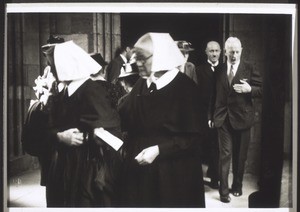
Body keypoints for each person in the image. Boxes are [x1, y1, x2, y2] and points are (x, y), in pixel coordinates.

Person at [25, 39, 123, 207]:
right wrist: (60, 137)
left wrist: (90, 135)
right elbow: (45, 130)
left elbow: (112, 132)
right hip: (62, 166)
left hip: (85, 170)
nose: (51, 70)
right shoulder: (62, 94)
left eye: (53, 65)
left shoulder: (91, 90)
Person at [118, 32, 205, 207]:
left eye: (143, 58)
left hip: (174, 174)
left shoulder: (186, 89)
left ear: (161, 57)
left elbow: (195, 139)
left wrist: (159, 150)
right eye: (136, 58)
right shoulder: (143, 83)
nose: (138, 63)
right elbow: (124, 114)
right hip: (142, 172)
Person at [213, 37, 262, 203]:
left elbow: (263, 90)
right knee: (224, 155)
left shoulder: (249, 68)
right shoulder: (219, 69)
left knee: (240, 157)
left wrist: (250, 89)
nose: (234, 55)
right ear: (225, 51)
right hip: (223, 118)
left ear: (241, 50)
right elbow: (213, 96)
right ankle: (223, 192)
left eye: (237, 52)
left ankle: (237, 186)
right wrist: (210, 116)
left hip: (243, 118)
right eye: (231, 52)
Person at [196, 41, 222, 190]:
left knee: (217, 146)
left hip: (219, 114)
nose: (214, 53)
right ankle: (199, 178)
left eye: (217, 51)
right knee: (203, 146)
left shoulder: (224, 69)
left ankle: (215, 177)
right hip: (203, 116)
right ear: (206, 52)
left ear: (220, 52)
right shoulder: (199, 70)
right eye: (211, 51)